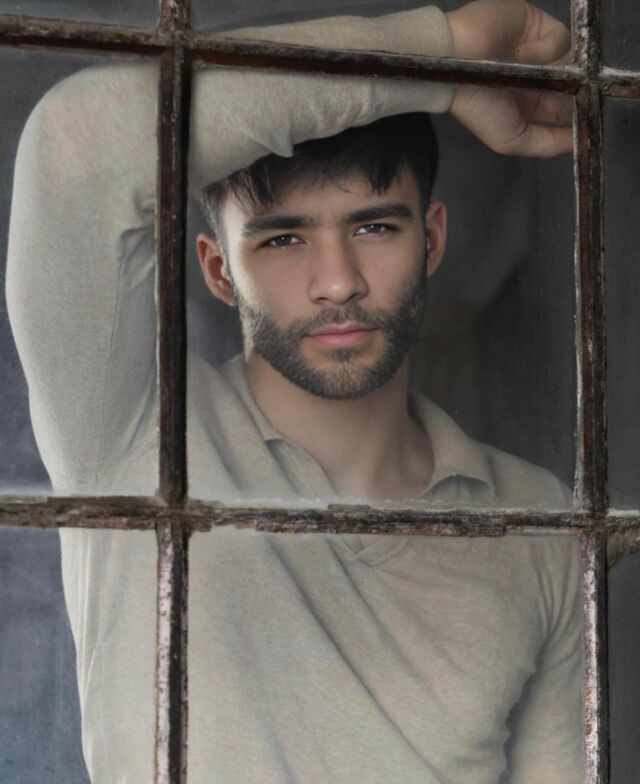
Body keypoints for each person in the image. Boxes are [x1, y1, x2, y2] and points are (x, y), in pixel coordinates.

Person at [6, 1, 582, 782]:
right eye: (283, 239)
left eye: (374, 227)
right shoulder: (133, 438)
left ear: (433, 239)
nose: (338, 282)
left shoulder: (540, 522)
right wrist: (443, 55)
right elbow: (79, 143)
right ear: (218, 270)